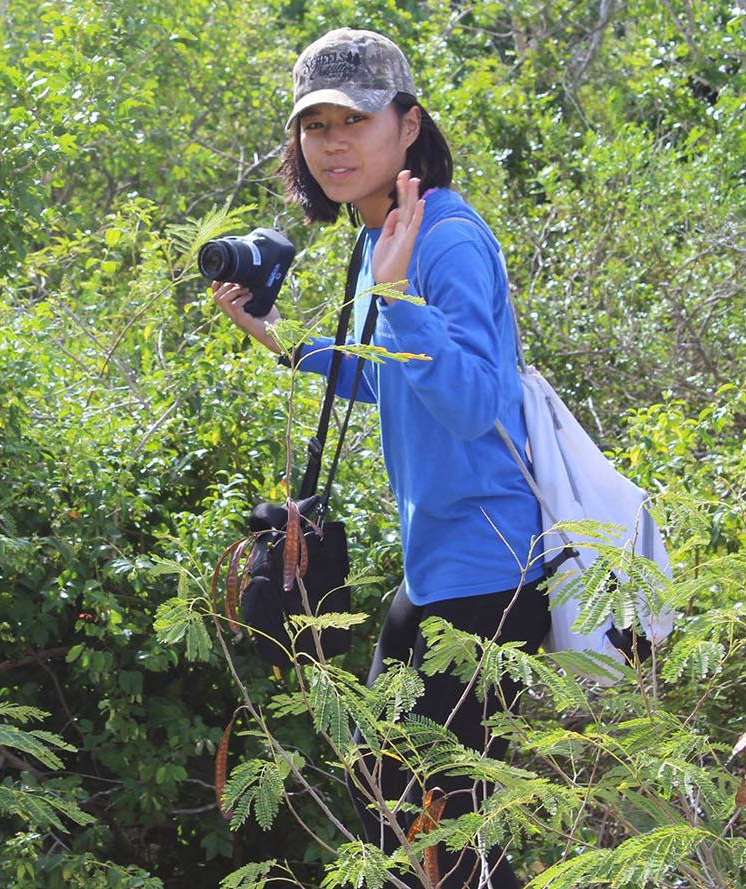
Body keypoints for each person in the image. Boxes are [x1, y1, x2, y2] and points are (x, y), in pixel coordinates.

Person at [212, 28, 549, 889]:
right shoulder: (380, 233)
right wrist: (283, 341)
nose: (333, 143)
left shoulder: (445, 240)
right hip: (437, 567)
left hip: (491, 570)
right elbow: (398, 378)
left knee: (436, 828)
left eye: (355, 120)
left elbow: (476, 403)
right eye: (315, 124)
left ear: (408, 124)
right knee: (393, 798)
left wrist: (397, 294)